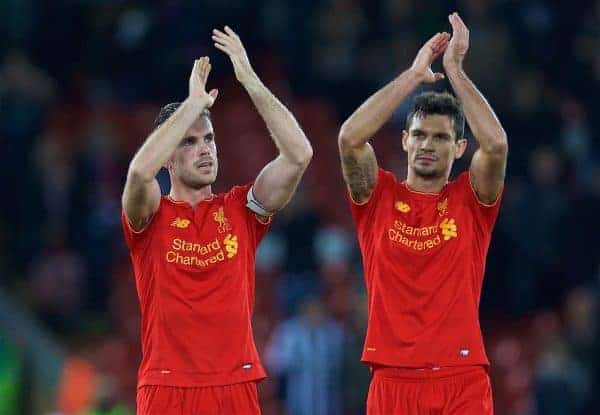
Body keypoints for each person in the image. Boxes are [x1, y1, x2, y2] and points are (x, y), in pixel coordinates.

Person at [121, 26, 313, 414]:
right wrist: (192, 105)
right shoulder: (151, 214)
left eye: (208, 139)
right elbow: (140, 174)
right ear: (168, 158)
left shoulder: (241, 210)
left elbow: (299, 155)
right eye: (189, 143)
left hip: (235, 384)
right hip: (166, 386)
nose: (204, 149)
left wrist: (249, 79)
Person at [338, 13, 507, 414]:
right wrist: (414, 76)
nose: (427, 144)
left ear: (460, 147)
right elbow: (349, 138)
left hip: (461, 378)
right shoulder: (377, 197)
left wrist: (455, 70)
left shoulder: (471, 199)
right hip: (392, 379)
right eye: (419, 134)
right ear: (404, 140)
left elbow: (497, 145)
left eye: (441, 137)